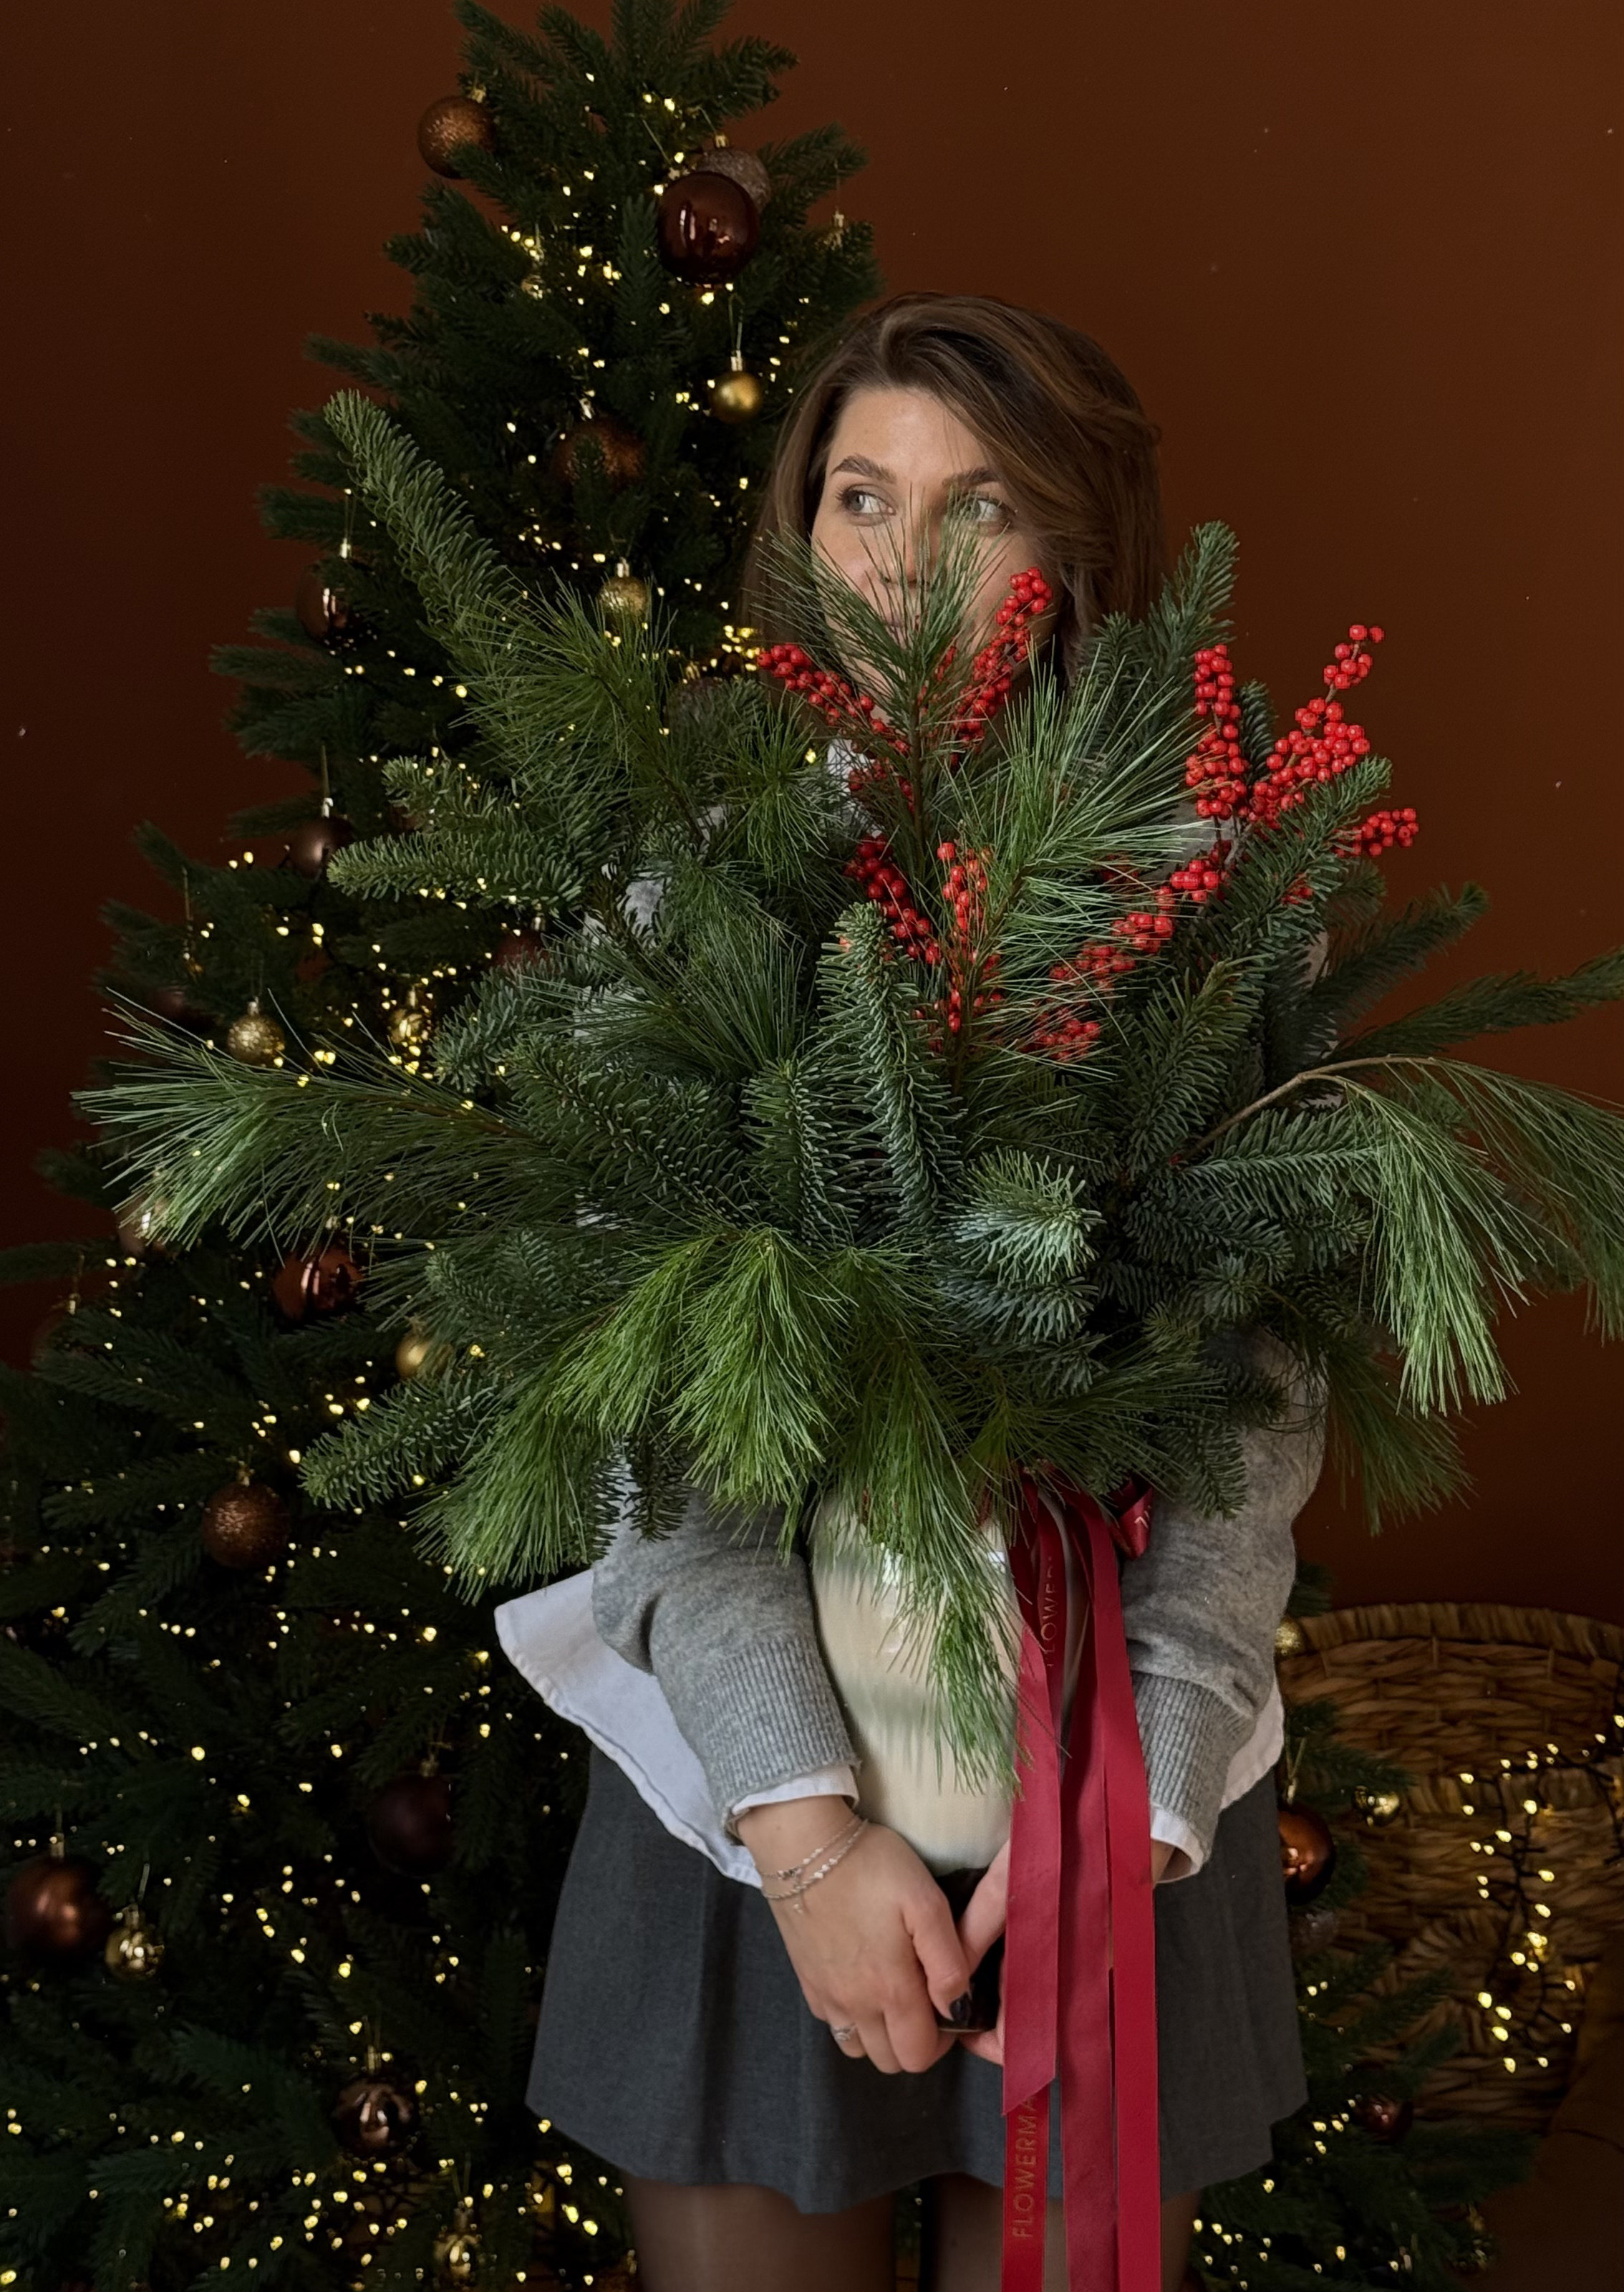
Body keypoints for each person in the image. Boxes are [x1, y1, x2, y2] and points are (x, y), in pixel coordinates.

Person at [527, 292, 1321, 2292]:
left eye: (978, 507)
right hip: (752, 1782)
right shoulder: (695, 900)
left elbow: (1253, 1398)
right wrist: (801, 1832)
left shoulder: (1209, 910)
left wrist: (1131, 1811)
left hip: (1110, 1779)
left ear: (1076, 552)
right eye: (860, 495)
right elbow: (656, 1405)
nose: (902, 559)